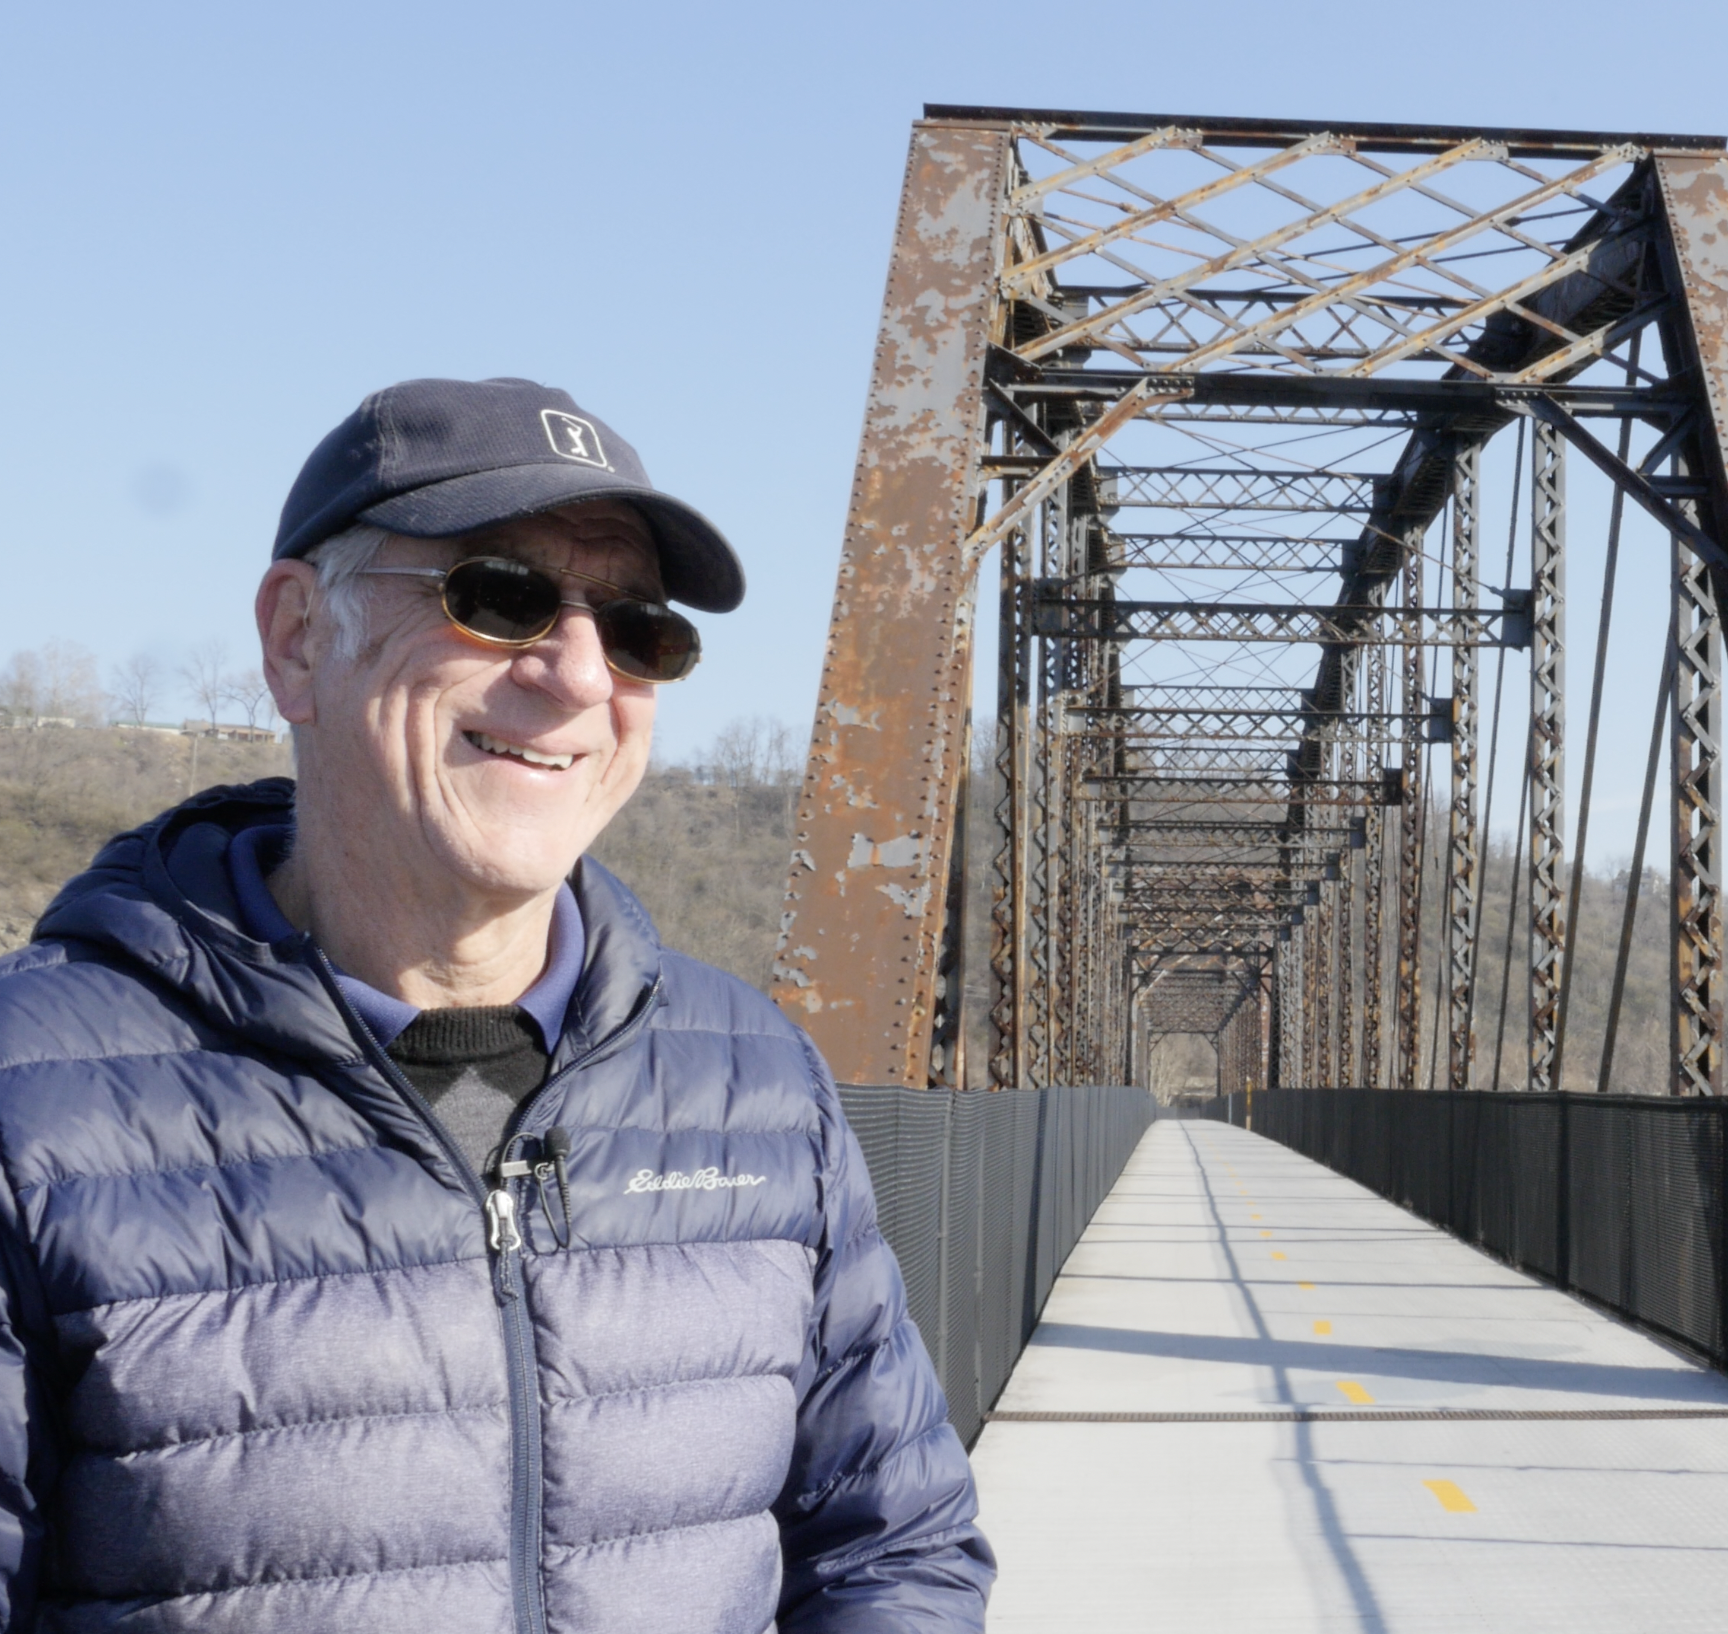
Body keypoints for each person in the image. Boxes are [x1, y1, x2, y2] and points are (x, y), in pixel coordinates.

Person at [0, 378, 993, 1630]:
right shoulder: (30, 1098)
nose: (579, 673)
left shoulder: (751, 1081)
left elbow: (893, 1548)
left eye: (638, 628)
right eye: (499, 594)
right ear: (298, 636)